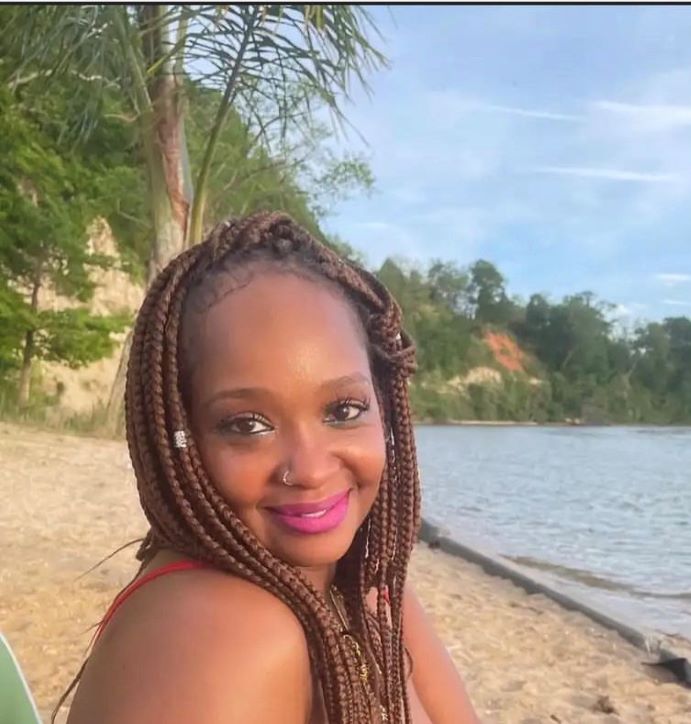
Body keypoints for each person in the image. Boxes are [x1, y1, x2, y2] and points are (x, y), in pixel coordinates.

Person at [61, 212, 478, 723]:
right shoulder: (230, 637)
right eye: (248, 424)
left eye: (344, 411)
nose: (308, 469)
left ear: (385, 407)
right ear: (181, 436)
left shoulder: (366, 584)